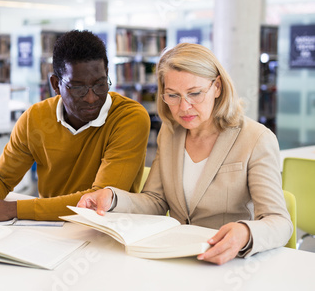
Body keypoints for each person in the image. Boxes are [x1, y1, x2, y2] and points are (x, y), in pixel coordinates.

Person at [77, 43, 292, 265]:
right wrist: (112, 198)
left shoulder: (256, 138)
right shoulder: (170, 133)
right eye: (173, 95)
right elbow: (156, 201)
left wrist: (246, 233)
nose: (184, 107)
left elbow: (279, 222)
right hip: (177, 257)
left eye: (195, 94)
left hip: (228, 262)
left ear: (217, 86)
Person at [0, 30, 150, 222]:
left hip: (108, 230)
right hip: (49, 230)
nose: (91, 97)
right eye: (78, 88)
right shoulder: (35, 118)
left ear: (107, 75)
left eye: (100, 84)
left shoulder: (129, 117)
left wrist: (14, 209)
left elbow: (98, 201)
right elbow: (1, 177)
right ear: (56, 84)